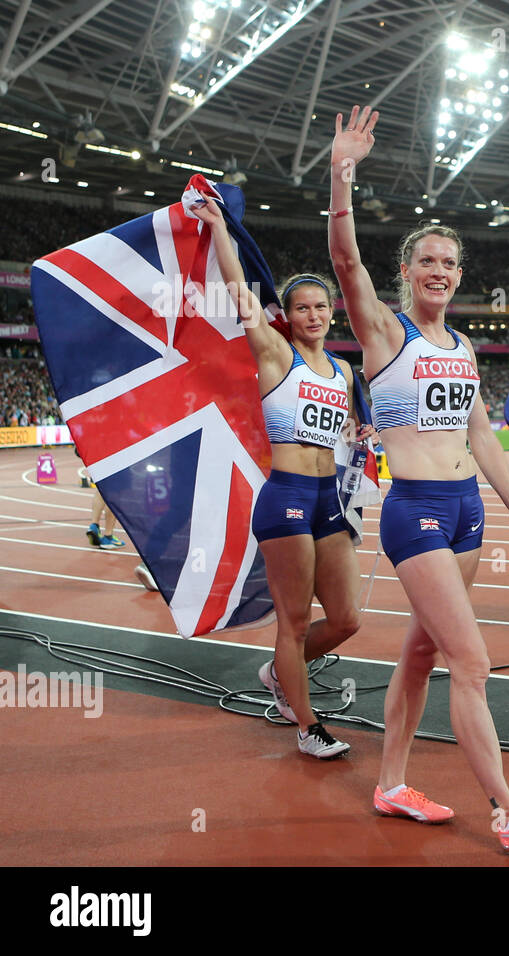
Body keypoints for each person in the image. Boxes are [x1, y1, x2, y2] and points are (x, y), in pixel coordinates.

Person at [329, 105, 509, 851]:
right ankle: (506, 811)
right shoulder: (384, 331)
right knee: (472, 661)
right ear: (405, 271)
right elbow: (344, 262)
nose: (438, 271)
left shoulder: (464, 347)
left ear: (459, 277)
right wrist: (342, 173)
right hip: (417, 513)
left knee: (422, 652)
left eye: (449, 263)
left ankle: (392, 782)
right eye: (426, 260)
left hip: (468, 509)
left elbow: (478, 432)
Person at [191, 197, 370, 760]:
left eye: (321, 307)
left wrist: (359, 439)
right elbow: (241, 292)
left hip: (329, 501)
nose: (313, 315)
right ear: (287, 316)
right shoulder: (274, 354)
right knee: (293, 620)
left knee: (345, 619)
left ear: (331, 313)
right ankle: (306, 725)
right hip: (287, 498)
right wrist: (220, 226)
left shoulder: (343, 371)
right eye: (302, 308)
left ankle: (277, 672)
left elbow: (342, 433)